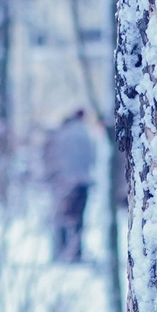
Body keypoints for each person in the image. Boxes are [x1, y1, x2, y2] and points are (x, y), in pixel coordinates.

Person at [48, 107, 98, 264]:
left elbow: (54, 157)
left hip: (64, 182)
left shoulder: (62, 133)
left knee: (61, 217)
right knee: (78, 218)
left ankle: (60, 251)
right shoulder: (86, 133)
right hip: (82, 182)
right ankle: (76, 252)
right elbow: (92, 157)